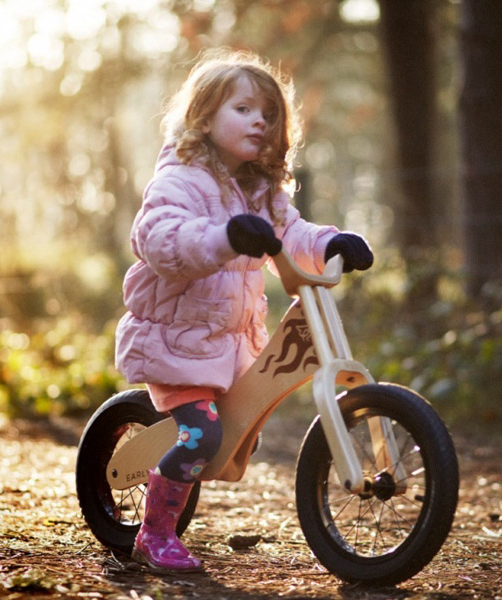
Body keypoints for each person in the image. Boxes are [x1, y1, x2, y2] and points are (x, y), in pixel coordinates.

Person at [115, 48, 373, 574]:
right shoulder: (180, 181)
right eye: (244, 109)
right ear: (205, 118)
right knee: (202, 436)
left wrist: (331, 243)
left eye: (270, 114)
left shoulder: (261, 193)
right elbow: (160, 239)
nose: (260, 120)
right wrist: (223, 237)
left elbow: (292, 236)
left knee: (233, 435)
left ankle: (173, 494)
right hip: (177, 341)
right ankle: (154, 535)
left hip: (228, 346)